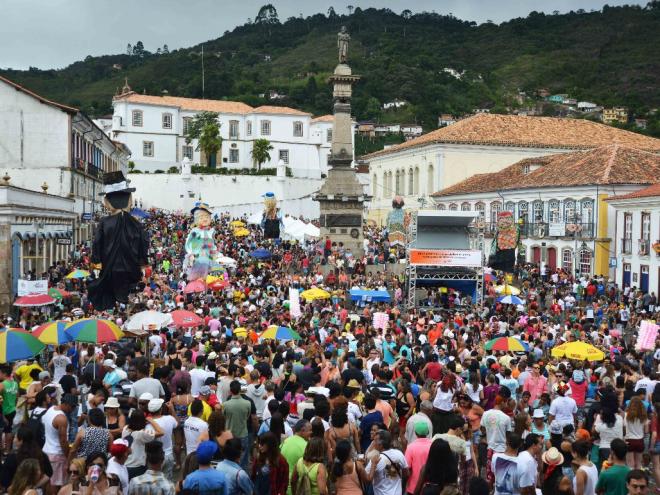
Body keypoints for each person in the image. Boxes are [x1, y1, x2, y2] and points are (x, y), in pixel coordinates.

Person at [0, 425, 52, 493]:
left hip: (14, 491)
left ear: (21, 441)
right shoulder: (40, 454)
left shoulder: (12, 458)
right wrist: (35, 486)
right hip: (36, 491)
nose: (14, 439)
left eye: (15, 437)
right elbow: (49, 473)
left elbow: (4, 481)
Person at [43, 393, 77, 491]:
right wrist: (68, 457)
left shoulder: (51, 409)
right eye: (72, 406)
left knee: (49, 481)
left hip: (46, 451)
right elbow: (63, 441)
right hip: (57, 455)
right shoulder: (62, 418)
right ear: (65, 404)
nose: (73, 409)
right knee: (57, 484)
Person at [122, 409, 164, 479]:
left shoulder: (125, 429)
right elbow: (161, 432)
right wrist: (151, 420)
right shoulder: (141, 434)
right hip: (137, 466)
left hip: (125, 464)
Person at [365, 430, 409, 495]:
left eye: (375, 441)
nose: (373, 443)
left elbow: (366, 478)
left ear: (381, 445)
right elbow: (406, 473)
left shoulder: (376, 459)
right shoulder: (399, 454)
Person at [481, 395, 512, 486]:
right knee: (500, 476)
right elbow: (508, 435)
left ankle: (490, 490)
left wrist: (489, 434)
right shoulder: (506, 418)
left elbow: (482, 428)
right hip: (501, 450)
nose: (506, 405)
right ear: (502, 402)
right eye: (506, 402)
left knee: (489, 475)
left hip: (490, 448)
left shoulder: (485, 414)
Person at [222, 380, 252, 469]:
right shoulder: (247, 403)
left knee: (229, 459)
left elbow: (224, 417)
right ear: (240, 390)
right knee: (243, 460)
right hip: (243, 434)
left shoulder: (226, 404)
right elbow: (247, 417)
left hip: (230, 435)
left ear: (230, 391)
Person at [146, 398, 177, 479]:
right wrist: (172, 409)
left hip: (154, 459)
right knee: (168, 481)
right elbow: (177, 423)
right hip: (168, 455)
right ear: (161, 409)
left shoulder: (147, 425)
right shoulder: (170, 418)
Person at [281, 419, 311, 494]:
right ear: (302, 430)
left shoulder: (285, 442)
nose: (311, 432)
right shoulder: (307, 446)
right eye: (310, 430)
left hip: (283, 486)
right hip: (296, 488)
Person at [405, 421, 433, 495]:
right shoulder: (433, 445)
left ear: (415, 433)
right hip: (429, 487)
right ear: (427, 433)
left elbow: (407, 467)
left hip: (413, 487)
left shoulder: (411, 447)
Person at [623, 396, 648, 469]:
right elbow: (646, 431)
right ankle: (638, 476)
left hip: (629, 440)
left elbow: (624, 427)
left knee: (630, 464)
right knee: (638, 464)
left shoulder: (626, 415)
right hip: (640, 441)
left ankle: (631, 476)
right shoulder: (644, 416)